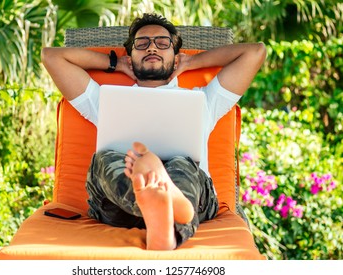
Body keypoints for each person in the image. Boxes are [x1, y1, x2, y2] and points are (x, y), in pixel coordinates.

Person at [42, 13, 266, 250]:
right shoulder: (105, 99)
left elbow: (255, 52)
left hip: (190, 190)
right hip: (119, 204)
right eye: (142, 43)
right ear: (131, 58)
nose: (151, 48)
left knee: (182, 162)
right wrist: (114, 63)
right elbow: (52, 56)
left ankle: (168, 211)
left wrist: (191, 61)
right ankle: (161, 205)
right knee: (105, 159)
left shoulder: (204, 99)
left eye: (162, 43)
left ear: (175, 56)